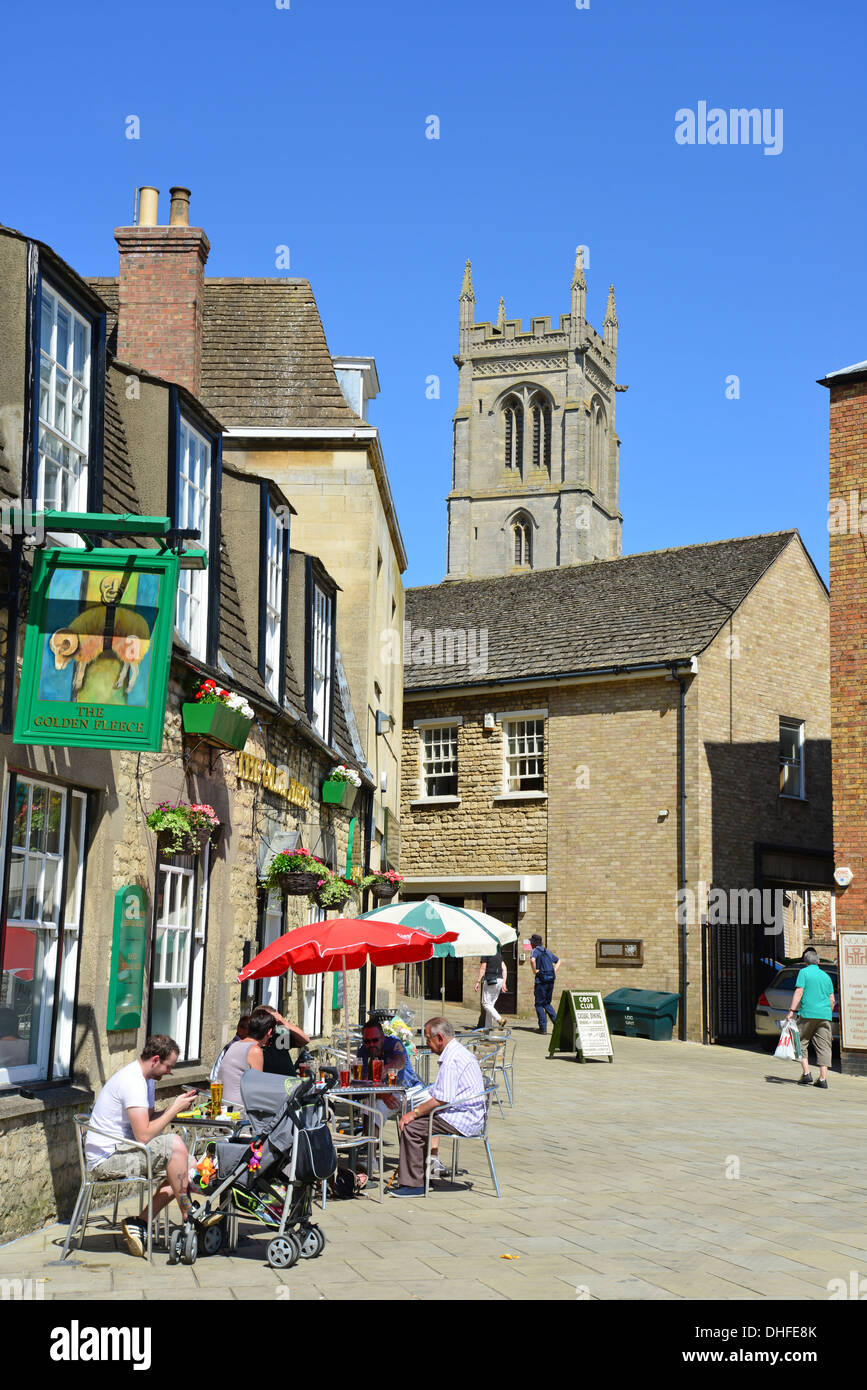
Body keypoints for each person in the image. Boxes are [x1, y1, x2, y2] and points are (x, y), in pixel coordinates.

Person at [84, 1034, 208, 1257]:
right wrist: (172, 1110)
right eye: (168, 1066)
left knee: (187, 1166)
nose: (169, 1072)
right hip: (107, 1159)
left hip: (124, 1150)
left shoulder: (147, 1080)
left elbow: (148, 1121)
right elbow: (143, 1136)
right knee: (176, 1145)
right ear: (155, 1060)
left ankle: (139, 1222)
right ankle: (190, 1214)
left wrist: (176, 1108)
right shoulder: (133, 1081)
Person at [390, 1016, 486, 1198]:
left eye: (428, 1039)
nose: (427, 1043)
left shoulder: (451, 1059)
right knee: (419, 1121)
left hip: (464, 1116)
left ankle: (414, 1185)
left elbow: (442, 1099)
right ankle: (425, 1177)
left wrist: (413, 1113)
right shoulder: (456, 1051)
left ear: (440, 1038)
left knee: (412, 1126)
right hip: (467, 1111)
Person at [786, 948, 836, 1089]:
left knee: (800, 1042)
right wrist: (828, 1013)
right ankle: (822, 1079)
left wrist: (791, 1011)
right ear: (818, 961)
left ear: (805, 962)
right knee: (824, 1046)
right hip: (824, 1016)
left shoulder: (804, 972)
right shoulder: (826, 977)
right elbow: (832, 999)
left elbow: (799, 991)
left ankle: (807, 1073)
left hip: (807, 1014)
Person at [217, 1009, 275, 1109]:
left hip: (224, 1106)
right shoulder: (254, 1050)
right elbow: (257, 1089)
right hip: (240, 1111)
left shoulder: (235, 1045)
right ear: (269, 1032)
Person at [254, 1004, 310, 1078]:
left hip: (290, 1085)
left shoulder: (278, 1036)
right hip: (272, 1086)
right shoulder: (253, 1041)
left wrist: (283, 1022)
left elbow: (305, 1040)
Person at [529, 933, 561, 1034]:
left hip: (541, 980)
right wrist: (554, 970)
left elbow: (532, 960)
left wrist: (535, 971)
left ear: (533, 943)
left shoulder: (535, 951)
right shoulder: (546, 950)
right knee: (546, 1003)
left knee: (539, 1004)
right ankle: (558, 1024)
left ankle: (543, 1028)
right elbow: (559, 961)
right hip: (550, 980)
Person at [210, 1013, 250, 1082]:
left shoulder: (242, 1047)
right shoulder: (234, 1048)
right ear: (240, 1029)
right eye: (250, 1030)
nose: (252, 1033)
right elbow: (216, 1077)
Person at [474, 950, 507, 1030]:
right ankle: (488, 1029)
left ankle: (499, 1019)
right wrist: (504, 982)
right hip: (499, 980)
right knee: (490, 1005)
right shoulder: (498, 953)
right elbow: (504, 968)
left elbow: (483, 968)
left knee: (485, 1004)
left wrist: (478, 981)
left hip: (490, 980)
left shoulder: (486, 952)